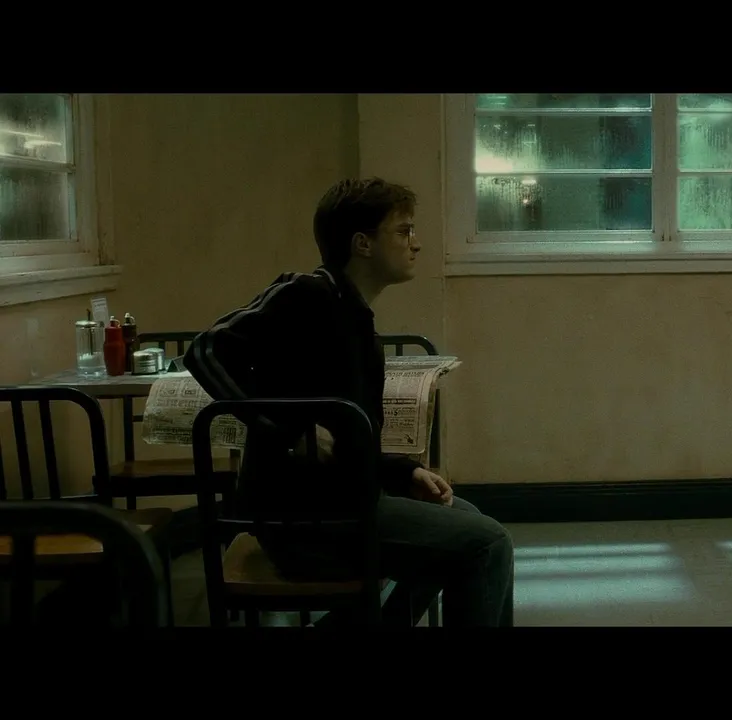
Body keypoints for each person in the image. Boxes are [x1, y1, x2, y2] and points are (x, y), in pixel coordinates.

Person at [184, 177, 514, 627]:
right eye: (403, 231)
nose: (416, 243)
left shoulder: (356, 319)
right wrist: (288, 431)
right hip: (307, 522)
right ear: (362, 243)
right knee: (487, 543)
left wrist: (402, 471)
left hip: (340, 502)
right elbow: (205, 350)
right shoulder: (308, 293)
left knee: (465, 521)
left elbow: (347, 440)